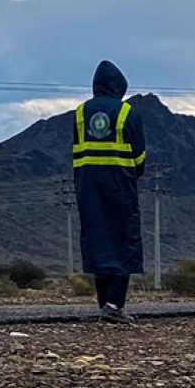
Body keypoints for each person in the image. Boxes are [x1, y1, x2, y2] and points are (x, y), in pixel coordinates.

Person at [73, 60, 147, 323]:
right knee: (123, 240)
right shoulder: (128, 113)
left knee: (98, 240)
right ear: (119, 86)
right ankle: (115, 305)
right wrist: (130, 174)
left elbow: (76, 152)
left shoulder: (80, 113)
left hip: (87, 186)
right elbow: (139, 157)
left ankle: (105, 303)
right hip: (119, 185)